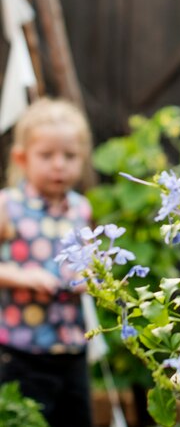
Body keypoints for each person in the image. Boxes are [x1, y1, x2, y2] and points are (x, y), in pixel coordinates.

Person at [0, 97, 93, 427]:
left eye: (69, 156)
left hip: (71, 349)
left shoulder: (80, 209)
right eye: (47, 155)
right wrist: (24, 278)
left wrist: (88, 279)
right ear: (22, 159)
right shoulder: (8, 206)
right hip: (22, 353)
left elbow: (88, 265)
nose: (59, 165)